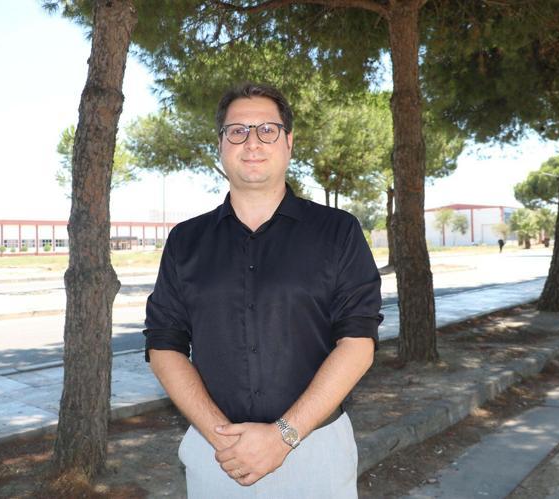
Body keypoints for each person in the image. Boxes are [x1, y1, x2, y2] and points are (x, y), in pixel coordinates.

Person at [143, 82, 383, 498]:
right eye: (237, 131)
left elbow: (358, 343)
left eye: (267, 130)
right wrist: (222, 437)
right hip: (218, 453)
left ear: (289, 143)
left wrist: (283, 436)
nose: (252, 142)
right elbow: (164, 345)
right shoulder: (185, 241)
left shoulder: (338, 232)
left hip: (316, 452)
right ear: (220, 146)